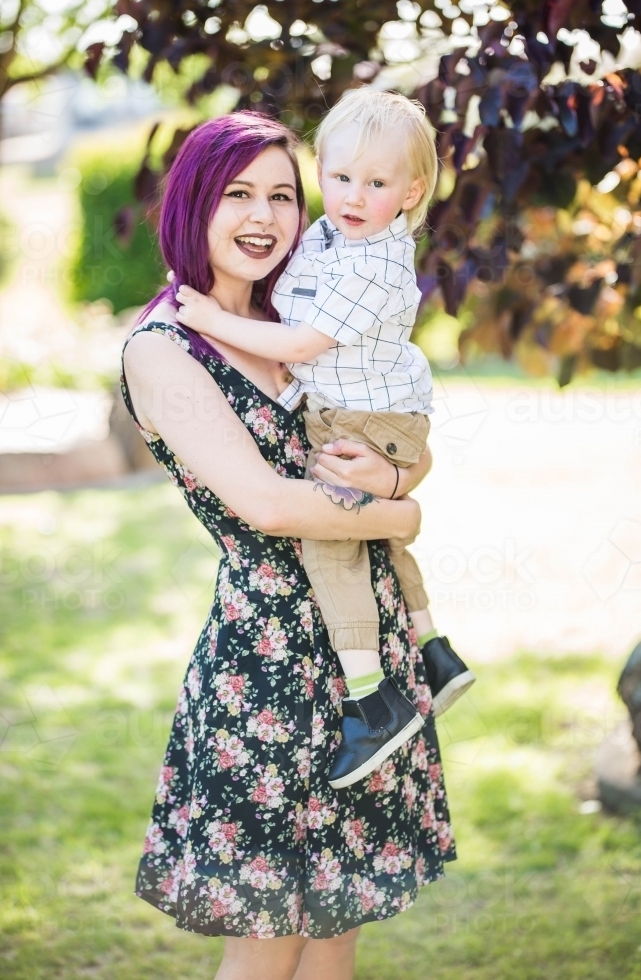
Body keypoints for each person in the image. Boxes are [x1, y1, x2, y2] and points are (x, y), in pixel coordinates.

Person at [121, 111, 456, 980]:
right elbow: (268, 505)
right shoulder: (165, 349)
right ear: (193, 203)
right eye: (237, 194)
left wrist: (391, 485)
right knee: (267, 949)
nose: (263, 215)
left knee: (336, 931)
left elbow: (400, 450)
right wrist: (399, 520)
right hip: (267, 668)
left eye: (280, 193)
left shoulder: (296, 315)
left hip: (366, 664)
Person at [174, 89, 475, 790]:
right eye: (338, 178)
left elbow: (303, 340)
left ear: (410, 192)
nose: (351, 195)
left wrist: (208, 317)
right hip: (363, 420)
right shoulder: (329, 236)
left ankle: (373, 698)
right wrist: (400, 505)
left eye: (375, 183)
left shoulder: (371, 260)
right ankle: (434, 652)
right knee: (374, 539)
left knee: (336, 549)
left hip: (368, 418)